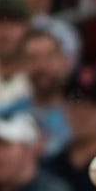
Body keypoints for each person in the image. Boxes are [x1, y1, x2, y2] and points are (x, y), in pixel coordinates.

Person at [22, 27, 74, 155]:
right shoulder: (8, 115)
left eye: (49, 57)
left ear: (65, 62)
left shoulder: (86, 114)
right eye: (33, 58)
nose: (41, 65)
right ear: (22, 65)